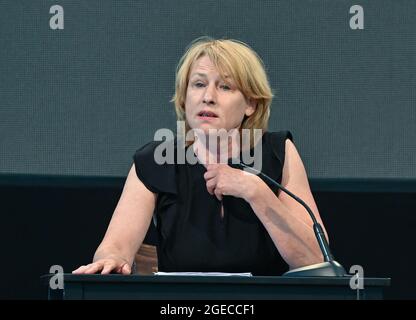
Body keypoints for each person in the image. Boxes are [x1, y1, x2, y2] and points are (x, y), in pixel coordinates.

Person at [73, 37, 328, 276]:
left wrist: (255, 191)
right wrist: (112, 259)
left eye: (225, 86)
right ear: (184, 98)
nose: (208, 97)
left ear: (251, 103)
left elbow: (316, 261)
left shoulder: (277, 152)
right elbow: (115, 248)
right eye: (198, 84)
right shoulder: (156, 161)